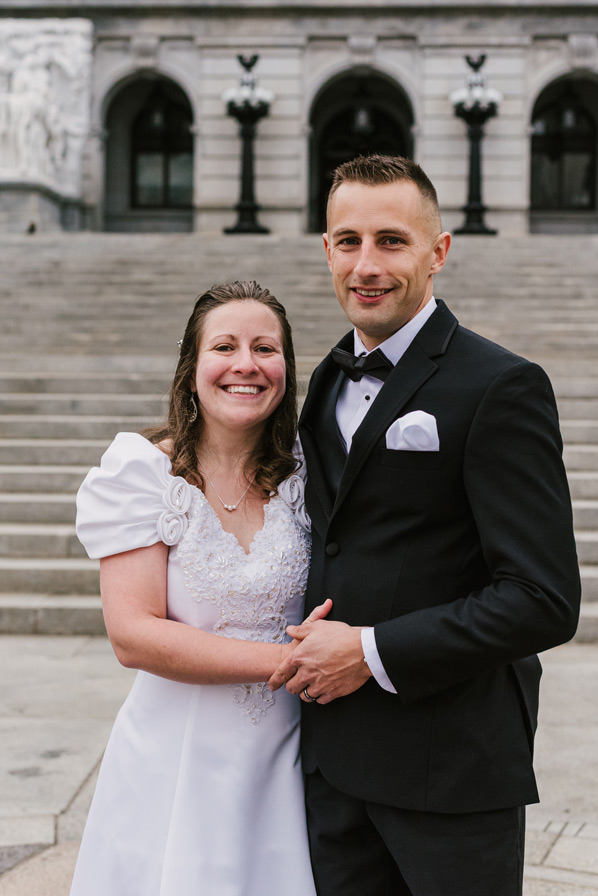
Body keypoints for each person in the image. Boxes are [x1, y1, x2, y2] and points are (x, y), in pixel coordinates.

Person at [268, 155, 581, 896]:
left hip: (451, 773)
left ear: (437, 251)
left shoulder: (502, 385)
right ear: (326, 250)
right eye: (349, 241)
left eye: (391, 241)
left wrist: (368, 651)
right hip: (332, 769)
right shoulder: (325, 378)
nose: (367, 266)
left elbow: (541, 598)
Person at [71, 281, 325, 896]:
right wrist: (295, 661)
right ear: (191, 369)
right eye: (225, 346)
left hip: (288, 757)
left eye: (265, 348)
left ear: (286, 370)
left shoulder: (309, 474)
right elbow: (133, 635)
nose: (246, 364)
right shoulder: (142, 474)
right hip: (175, 759)